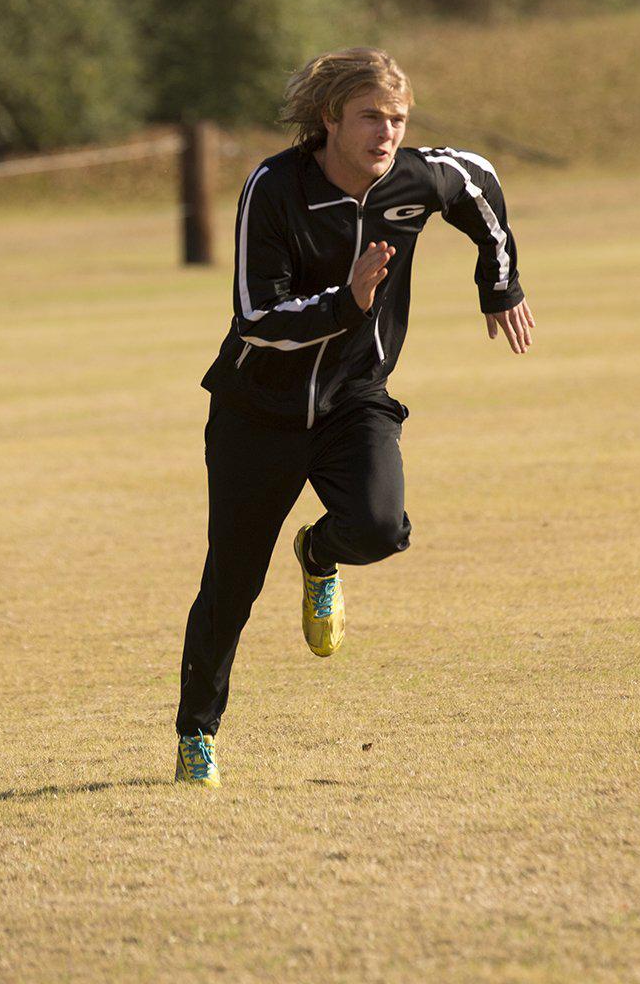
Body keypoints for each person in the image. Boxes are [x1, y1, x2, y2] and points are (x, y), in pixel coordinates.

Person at [174, 47, 534, 787]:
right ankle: (196, 735)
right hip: (258, 409)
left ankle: (318, 552)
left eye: (397, 118)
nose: (387, 133)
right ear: (330, 119)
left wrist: (499, 284)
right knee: (231, 586)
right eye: (371, 116)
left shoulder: (415, 178)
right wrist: (349, 302)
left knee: (380, 528)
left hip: (354, 397)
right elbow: (256, 318)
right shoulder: (275, 186)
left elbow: (477, 181)